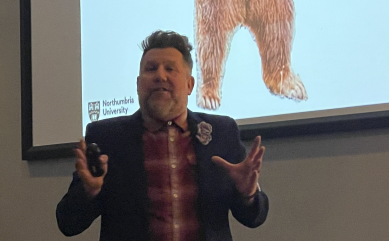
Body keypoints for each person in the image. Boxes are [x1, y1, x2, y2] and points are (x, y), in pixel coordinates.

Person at [56, 30, 269, 240]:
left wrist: (247, 194)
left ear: (189, 85)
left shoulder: (222, 132)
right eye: (151, 69)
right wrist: (89, 191)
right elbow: (68, 223)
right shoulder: (107, 137)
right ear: (138, 85)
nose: (160, 75)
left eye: (170, 69)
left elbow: (254, 218)